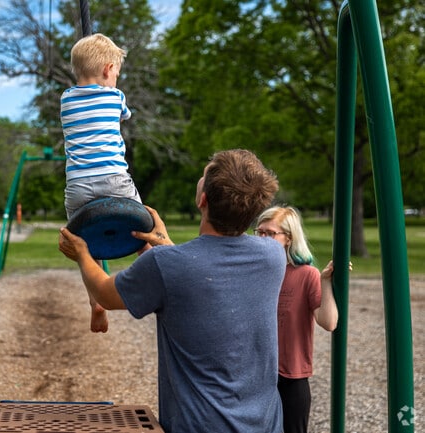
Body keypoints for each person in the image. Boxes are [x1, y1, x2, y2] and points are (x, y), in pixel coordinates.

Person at [59, 149, 285, 433]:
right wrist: (165, 244)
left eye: (204, 175)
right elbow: (204, 272)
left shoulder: (166, 265)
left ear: (203, 200)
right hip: (264, 424)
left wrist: (82, 253)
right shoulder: (273, 256)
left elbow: (105, 293)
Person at [60, 33, 143, 333]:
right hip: (113, 178)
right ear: (109, 70)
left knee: (84, 245)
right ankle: (156, 271)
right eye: (116, 74)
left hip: (78, 185)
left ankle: (96, 301)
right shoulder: (115, 97)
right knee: (145, 227)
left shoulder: (66, 100)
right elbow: (122, 117)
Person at [254, 206, 340, 433]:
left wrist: (325, 282)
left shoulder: (305, 275)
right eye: (259, 232)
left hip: (291, 377)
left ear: (289, 238)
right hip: (256, 375)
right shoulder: (255, 272)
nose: (263, 238)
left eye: (270, 233)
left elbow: (329, 322)